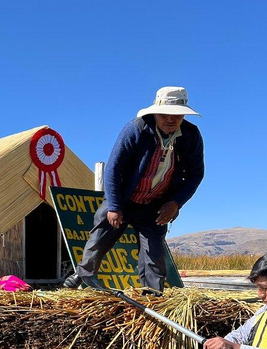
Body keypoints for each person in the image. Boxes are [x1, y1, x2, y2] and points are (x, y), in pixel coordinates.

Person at [63, 86, 205, 295]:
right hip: (125, 197)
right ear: (155, 112)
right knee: (102, 232)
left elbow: (195, 174)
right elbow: (113, 168)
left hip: (156, 202)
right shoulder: (137, 129)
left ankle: (152, 295)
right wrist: (114, 205)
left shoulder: (191, 136)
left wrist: (175, 203)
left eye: (176, 115)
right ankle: (84, 274)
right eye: (164, 114)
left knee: (153, 250)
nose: (170, 120)